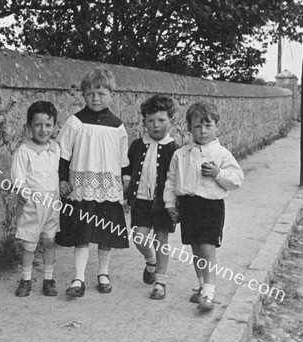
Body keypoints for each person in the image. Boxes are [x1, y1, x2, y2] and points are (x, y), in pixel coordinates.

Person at [163, 101, 244, 311]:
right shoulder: (181, 154)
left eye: (208, 125)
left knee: (208, 248)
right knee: (196, 249)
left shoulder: (222, 154)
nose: (203, 131)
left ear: (216, 126)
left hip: (211, 207)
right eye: (197, 126)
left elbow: (237, 180)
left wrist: (218, 174)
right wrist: (170, 204)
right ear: (189, 128)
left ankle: (209, 293)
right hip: (188, 206)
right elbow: (171, 180)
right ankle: (201, 287)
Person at [56, 67, 129, 297]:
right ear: (83, 95)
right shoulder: (75, 122)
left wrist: (125, 182)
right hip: (82, 187)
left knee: (105, 234)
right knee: (83, 233)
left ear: (111, 94)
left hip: (108, 187)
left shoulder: (117, 126)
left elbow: (123, 159)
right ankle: (78, 278)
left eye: (101, 93)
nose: (95, 98)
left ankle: (103, 273)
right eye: (90, 94)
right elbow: (62, 154)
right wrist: (61, 179)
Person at [122, 95, 179, 300]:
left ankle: (160, 282)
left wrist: (175, 203)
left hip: (164, 203)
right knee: (138, 236)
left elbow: (178, 177)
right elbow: (127, 167)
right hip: (140, 200)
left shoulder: (174, 149)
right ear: (144, 121)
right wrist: (127, 181)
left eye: (161, 120)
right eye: (151, 120)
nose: (156, 125)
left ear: (170, 120)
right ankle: (150, 260)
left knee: (161, 240)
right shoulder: (138, 144)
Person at [10, 101, 61, 297]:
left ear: (54, 126)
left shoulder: (56, 149)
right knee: (30, 243)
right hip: (33, 204)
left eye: (48, 125)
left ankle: (48, 279)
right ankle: (25, 279)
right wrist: (26, 197)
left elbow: (59, 173)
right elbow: (18, 179)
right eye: (38, 124)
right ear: (29, 126)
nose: (43, 129)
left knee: (49, 241)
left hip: (52, 203)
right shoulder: (25, 151)